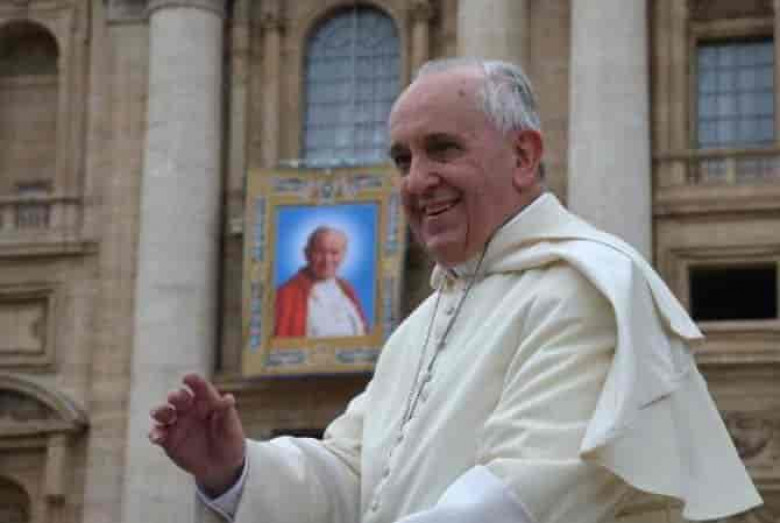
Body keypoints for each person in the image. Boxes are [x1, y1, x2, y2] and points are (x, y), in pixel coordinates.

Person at [149, 58, 762, 523]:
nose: (417, 181)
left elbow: (514, 500)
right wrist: (236, 468)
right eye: (402, 159)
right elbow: (357, 476)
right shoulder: (425, 322)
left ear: (523, 156)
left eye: (442, 149)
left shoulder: (588, 290)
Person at [274, 225, 368, 338]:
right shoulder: (287, 294)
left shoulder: (347, 290)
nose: (327, 260)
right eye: (320, 252)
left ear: (344, 255)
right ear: (307, 254)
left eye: (334, 253)